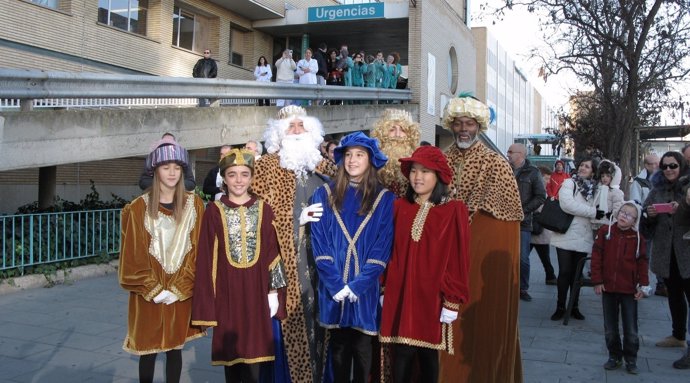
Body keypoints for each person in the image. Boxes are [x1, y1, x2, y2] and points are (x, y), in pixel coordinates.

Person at [439, 96, 524, 383]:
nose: (464, 129)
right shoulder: (442, 159)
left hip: (475, 256)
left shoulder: (495, 163)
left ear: (479, 126)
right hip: (441, 255)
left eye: (470, 123)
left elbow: (505, 221)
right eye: (459, 123)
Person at [251, 105, 336, 383]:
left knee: (322, 327)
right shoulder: (264, 167)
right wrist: (294, 218)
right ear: (279, 134)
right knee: (287, 328)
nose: (297, 131)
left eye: (301, 126)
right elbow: (259, 217)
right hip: (284, 266)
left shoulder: (325, 168)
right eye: (290, 127)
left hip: (322, 266)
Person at [192, 148, 288, 383]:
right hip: (227, 294)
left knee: (255, 359)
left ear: (252, 177)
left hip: (256, 293)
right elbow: (206, 258)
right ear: (224, 178)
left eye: (244, 174)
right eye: (232, 174)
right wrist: (209, 299)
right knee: (232, 360)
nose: (238, 180)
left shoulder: (265, 209)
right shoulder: (214, 211)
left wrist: (274, 291)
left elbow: (273, 252)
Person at [379, 145, 470, 383]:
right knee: (401, 353)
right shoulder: (399, 206)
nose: (417, 177)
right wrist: (382, 285)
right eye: (414, 171)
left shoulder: (453, 210)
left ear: (438, 176)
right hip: (399, 291)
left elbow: (458, 258)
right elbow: (387, 249)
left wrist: (452, 298)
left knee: (428, 354)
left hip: (432, 296)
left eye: (425, 171)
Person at [310, 132, 394, 383]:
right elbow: (320, 241)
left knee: (362, 349)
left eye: (359, 155)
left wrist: (359, 285)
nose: (353, 160)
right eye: (348, 155)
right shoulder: (323, 194)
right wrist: (335, 283)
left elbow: (382, 246)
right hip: (332, 288)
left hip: (364, 289)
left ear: (370, 160)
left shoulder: (384, 198)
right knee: (337, 349)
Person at [119, 141, 205, 383]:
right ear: (155, 170)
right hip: (149, 295)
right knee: (147, 352)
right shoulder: (136, 208)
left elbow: (199, 251)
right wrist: (154, 290)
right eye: (166, 167)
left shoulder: (194, 205)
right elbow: (132, 256)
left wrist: (180, 288)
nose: (171, 173)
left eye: (176, 168)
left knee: (175, 350)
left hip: (180, 294)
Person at [591, 201, 649, 374]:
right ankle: (614, 355)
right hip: (608, 288)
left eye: (629, 215)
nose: (624, 216)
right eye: (623, 212)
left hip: (629, 289)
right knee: (610, 327)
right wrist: (597, 280)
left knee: (630, 328)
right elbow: (596, 257)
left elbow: (642, 263)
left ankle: (631, 358)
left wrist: (643, 286)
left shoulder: (638, 239)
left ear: (635, 221)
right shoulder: (605, 232)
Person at [642, 151, 690, 350]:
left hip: (686, 252)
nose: (669, 170)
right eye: (665, 166)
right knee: (675, 295)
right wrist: (649, 214)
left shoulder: (687, 189)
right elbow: (645, 225)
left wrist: (684, 207)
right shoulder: (656, 190)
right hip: (665, 251)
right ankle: (677, 335)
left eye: (673, 166)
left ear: (681, 167)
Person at [550, 156, 603, 321]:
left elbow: (602, 209)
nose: (582, 168)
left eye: (587, 166)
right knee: (565, 272)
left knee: (577, 275)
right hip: (566, 233)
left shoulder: (597, 188)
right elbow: (567, 205)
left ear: (593, 171)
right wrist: (592, 212)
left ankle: (574, 306)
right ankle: (560, 306)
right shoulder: (569, 183)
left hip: (584, 235)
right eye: (581, 165)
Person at [507, 143, 546, 302]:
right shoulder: (504, 169)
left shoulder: (533, 172)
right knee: (505, 256)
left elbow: (540, 196)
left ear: (520, 154)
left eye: (511, 151)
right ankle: (507, 286)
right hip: (504, 220)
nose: (508, 154)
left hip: (523, 222)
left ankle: (523, 288)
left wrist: (523, 211)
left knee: (523, 257)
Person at [370, 108, 420, 197]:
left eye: (403, 130)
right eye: (392, 130)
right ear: (382, 134)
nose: (397, 134)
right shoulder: (371, 163)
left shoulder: (418, 163)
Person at [531, 166, 557, 285]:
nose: (548, 181)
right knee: (543, 256)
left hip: (537, 229)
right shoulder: (537, 190)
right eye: (546, 178)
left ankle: (550, 275)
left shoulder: (539, 189)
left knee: (543, 255)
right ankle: (550, 276)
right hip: (538, 228)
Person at [591, 160, 624, 232]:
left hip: (609, 224)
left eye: (608, 176)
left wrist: (613, 215)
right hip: (597, 221)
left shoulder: (615, 192)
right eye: (602, 176)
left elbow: (618, 206)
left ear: (613, 177)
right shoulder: (598, 190)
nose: (605, 178)